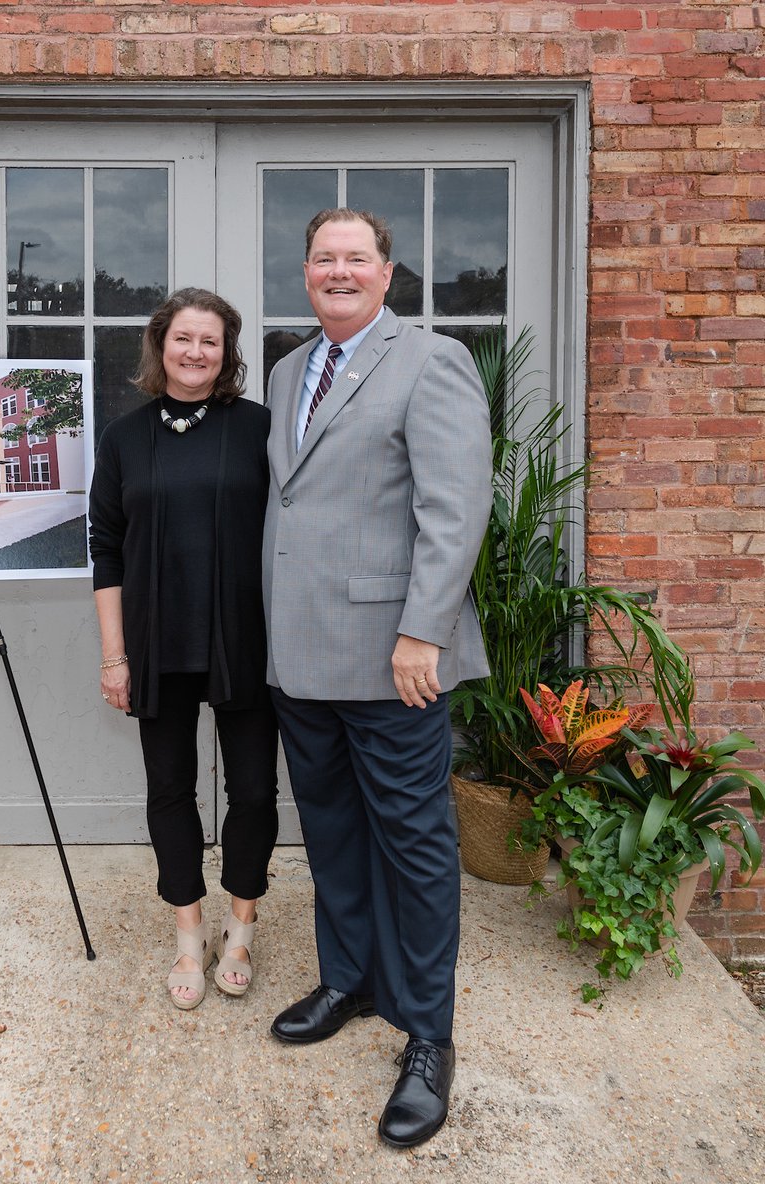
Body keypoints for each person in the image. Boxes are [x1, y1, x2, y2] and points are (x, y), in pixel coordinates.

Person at [262, 209, 492, 1147]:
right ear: (306, 273)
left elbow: (457, 505)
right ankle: (351, 977)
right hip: (299, 656)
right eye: (325, 259)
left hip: (393, 659)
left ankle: (428, 1036)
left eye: (358, 258)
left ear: (387, 273)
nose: (340, 271)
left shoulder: (430, 361)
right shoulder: (285, 372)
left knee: (416, 844)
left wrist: (422, 633)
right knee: (331, 830)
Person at [89, 287, 279, 1011]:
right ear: (159, 345)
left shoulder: (259, 428)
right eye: (183, 338)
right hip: (157, 642)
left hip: (246, 641)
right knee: (169, 791)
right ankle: (188, 936)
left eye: (211, 341)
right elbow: (106, 549)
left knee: (254, 792)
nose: (196, 352)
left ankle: (241, 928)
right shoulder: (124, 438)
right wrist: (116, 656)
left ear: (227, 353)